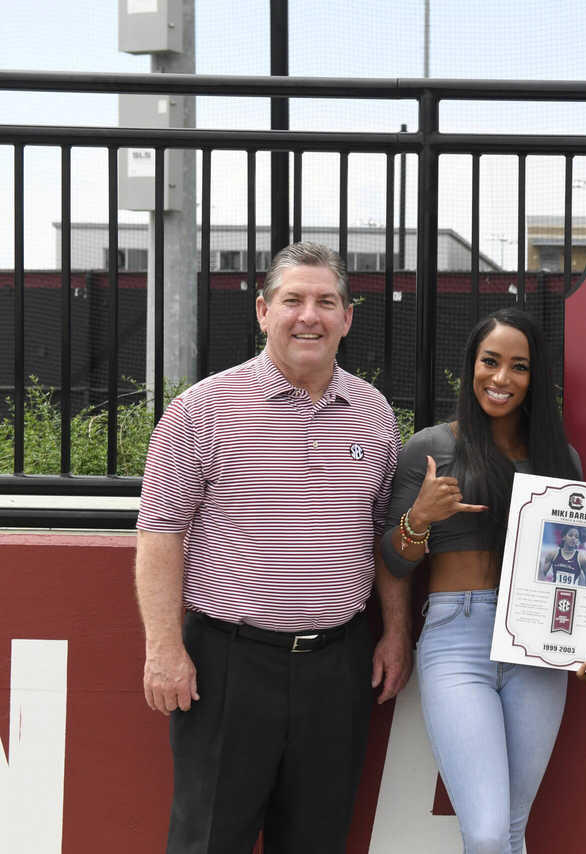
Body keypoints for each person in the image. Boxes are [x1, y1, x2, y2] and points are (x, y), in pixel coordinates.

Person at [135, 242, 412, 854]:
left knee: (318, 841)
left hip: (338, 667)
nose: (309, 315)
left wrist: (395, 633)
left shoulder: (373, 414)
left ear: (347, 318)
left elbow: (382, 532)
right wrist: (164, 648)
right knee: (209, 840)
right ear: (263, 311)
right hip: (226, 668)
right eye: (293, 300)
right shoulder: (202, 409)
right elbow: (160, 531)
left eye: (326, 302)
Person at [381, 307, 586, 854]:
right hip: (457, 635)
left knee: (512, 829)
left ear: (535, 378)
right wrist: (420, 518)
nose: (502, 378)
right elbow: (393, 561)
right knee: (488, 832)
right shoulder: (430, 448)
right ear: (472, 365)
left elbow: (577, 574)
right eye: (490, 361)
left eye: (519, 366)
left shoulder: (560, 460)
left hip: (538, 644)